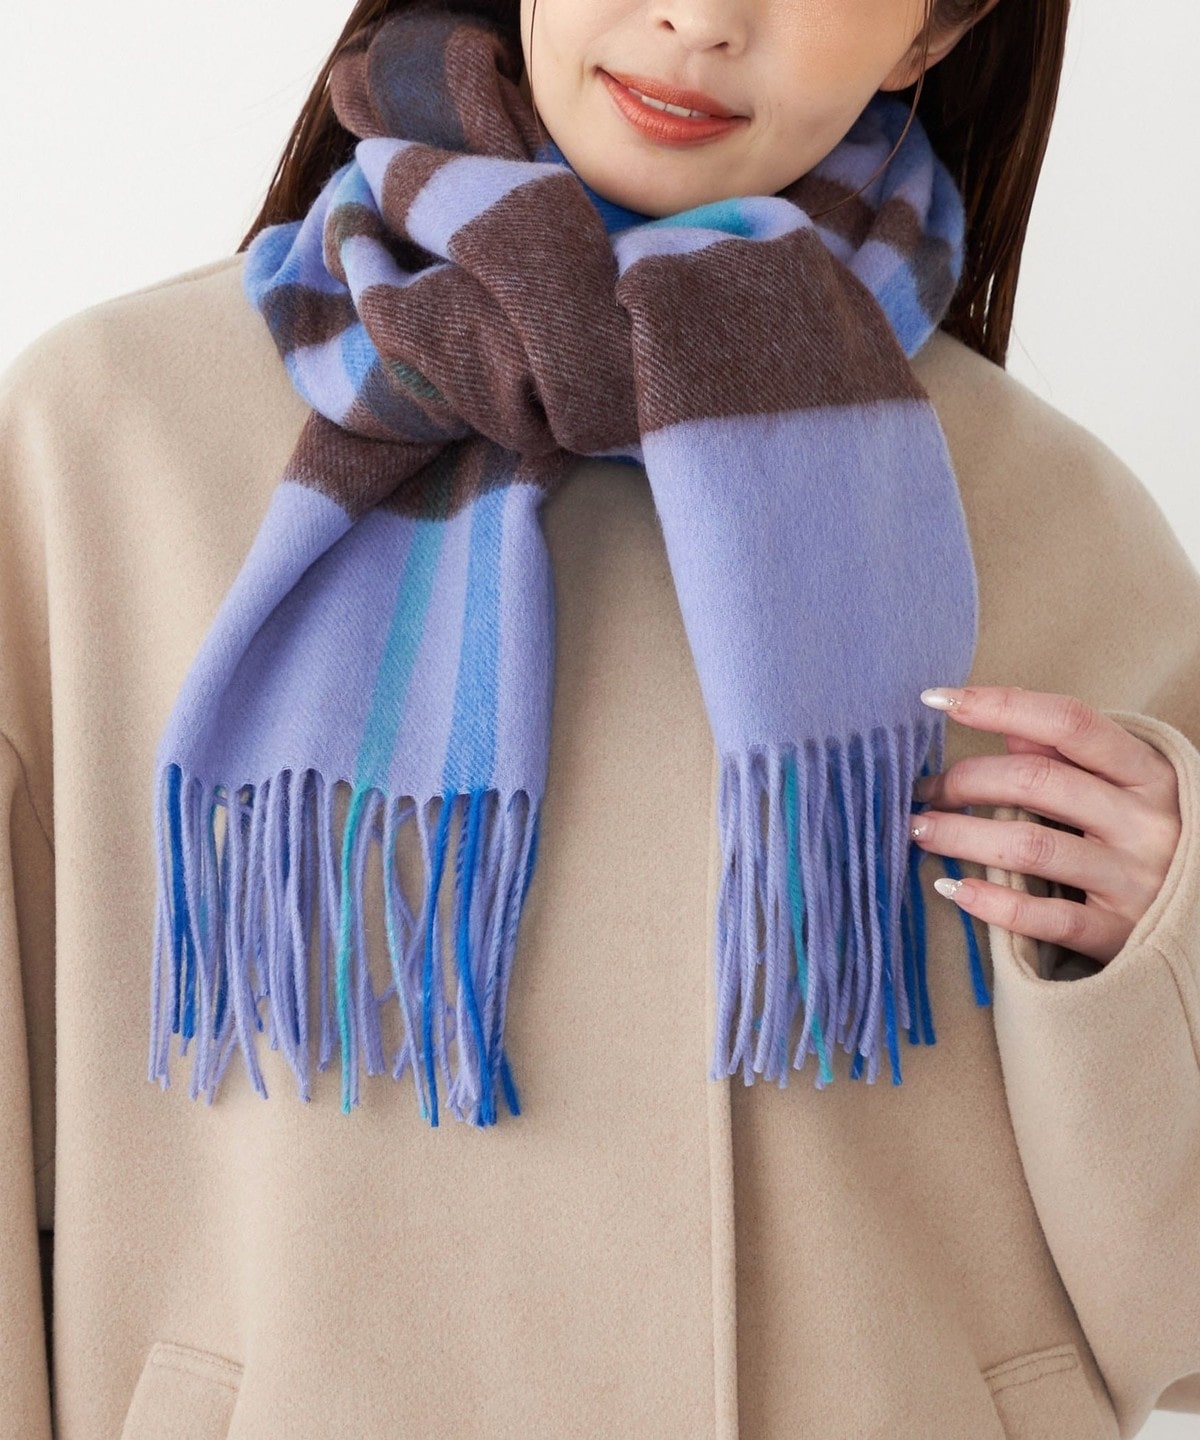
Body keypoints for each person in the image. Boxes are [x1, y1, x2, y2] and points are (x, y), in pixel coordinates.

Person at [1, 0, 1197, 1436]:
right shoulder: (105, 443)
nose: (700, 17)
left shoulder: (1061, 520)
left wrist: (1166, 952)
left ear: (928, 35)